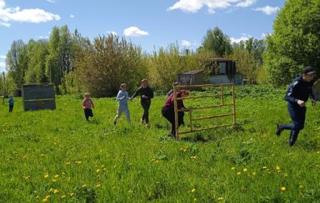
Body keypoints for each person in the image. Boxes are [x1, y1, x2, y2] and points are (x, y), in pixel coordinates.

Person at [276, 66, 317, 146]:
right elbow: (287, 96)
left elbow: (310, 90)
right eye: (310, 75)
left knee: (298, 126)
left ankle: (291, 143)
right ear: (304, 74)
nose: (312, 77)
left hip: (302, 106)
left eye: (313, 75)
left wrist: (312, 98)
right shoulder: (296, 83)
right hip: (293, 106)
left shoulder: (310, 82)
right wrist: (297, 101)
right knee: (298, 125)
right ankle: (281, 127)